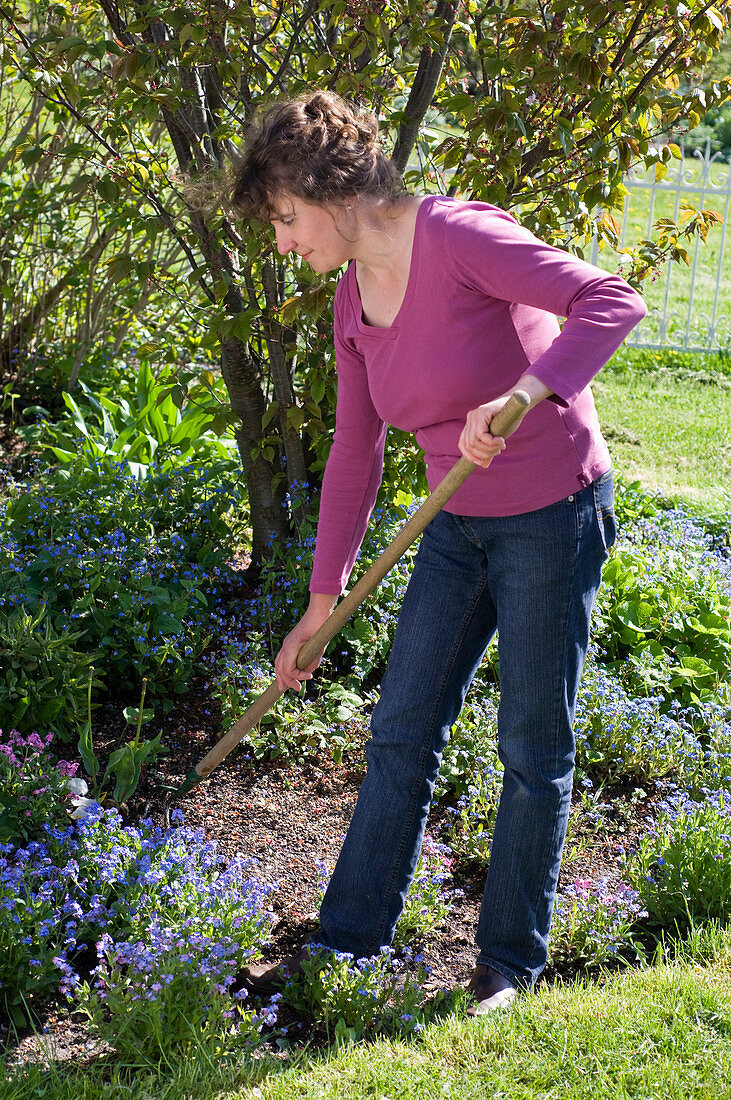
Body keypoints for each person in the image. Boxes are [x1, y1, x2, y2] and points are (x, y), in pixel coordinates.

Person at [230, 90, 646, 1013]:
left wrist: (525, 395)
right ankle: (347, 943)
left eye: (286, 219)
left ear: (324, 190)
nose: (283, 243)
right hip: (454, 529)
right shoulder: (349, 296)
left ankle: (508, 963)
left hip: (550, 513)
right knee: (400, 730)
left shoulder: (460, 236)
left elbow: (610, 300)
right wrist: (321, 599)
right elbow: (355, 451)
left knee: (531, 747)